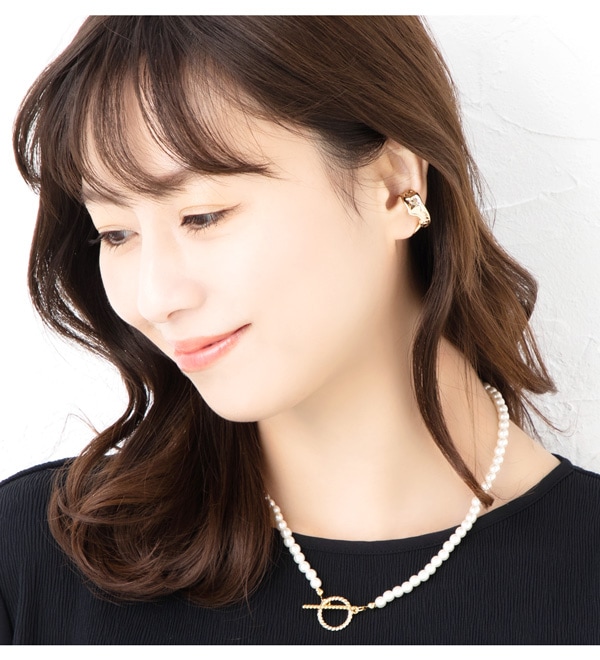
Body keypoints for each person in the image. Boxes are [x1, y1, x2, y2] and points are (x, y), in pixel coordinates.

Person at [1, 15, 598, 645]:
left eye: (203, 216)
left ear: (394, 186)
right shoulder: (38, 558)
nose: (154, 298)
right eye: (116, 233)